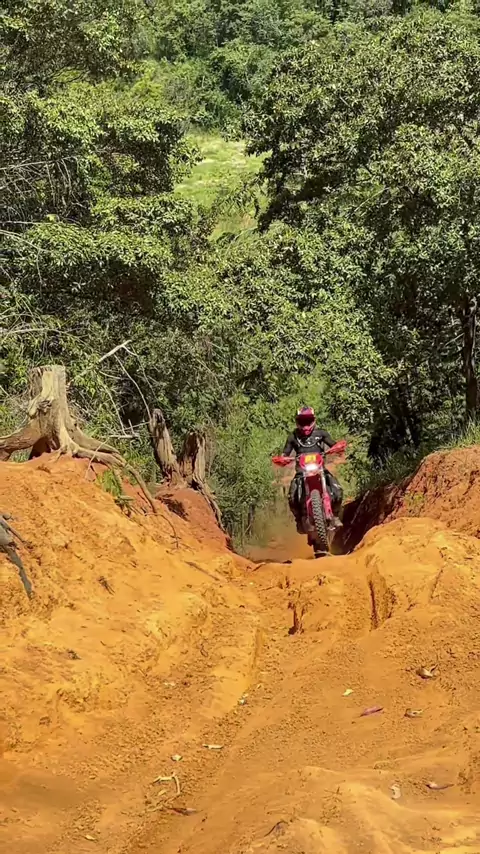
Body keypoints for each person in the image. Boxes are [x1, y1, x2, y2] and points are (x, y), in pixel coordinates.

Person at [281, 406, 343, 533]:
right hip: (301, 473)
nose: (305, 425)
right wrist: (282, 459)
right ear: (297, 422)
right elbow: (285, 453)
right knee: (292, 497)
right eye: (302, 421)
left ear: (313, 420)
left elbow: (333, 444)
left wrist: (338, 447)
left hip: (320, 469)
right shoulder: (293, 437)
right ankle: (299, 520)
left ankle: (335, 515)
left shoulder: (321, 433)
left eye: (308, 421)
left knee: (337, 489)